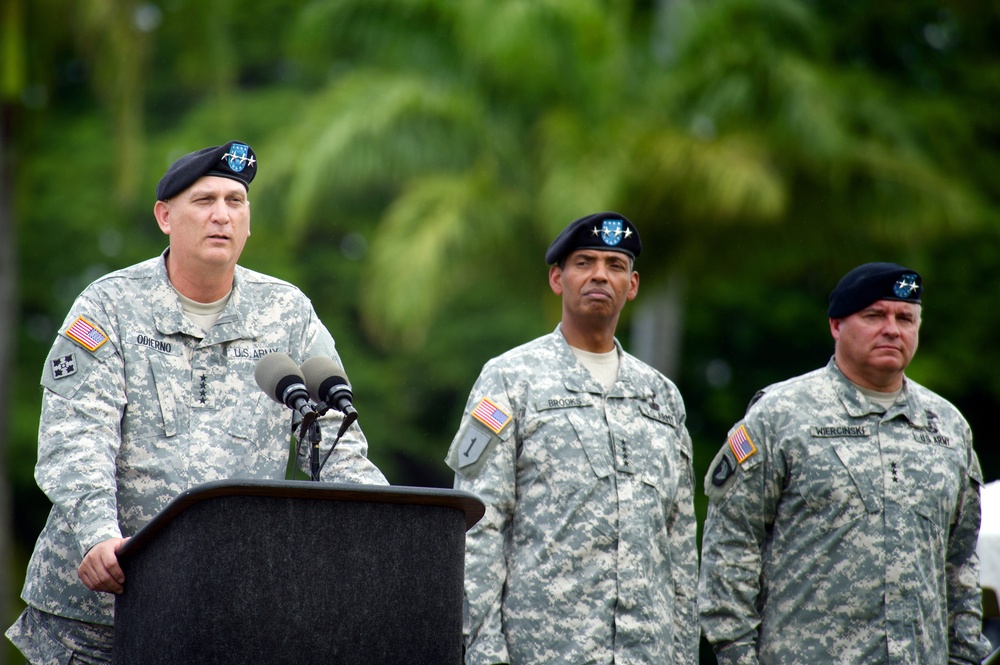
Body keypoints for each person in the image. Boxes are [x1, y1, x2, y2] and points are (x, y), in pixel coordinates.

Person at [6, 141, 387, 663]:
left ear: (249, 222)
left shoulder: (287, 311)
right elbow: (76, 435)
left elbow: (337, 445)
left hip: (233, 607)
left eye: (236, 201)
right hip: (104, 609)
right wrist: (97, 534)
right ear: (165, 216)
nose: (222, 216)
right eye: (204, 200)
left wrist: (394, 528)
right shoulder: (109, 305)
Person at [698, 262, 991, 664]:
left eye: (905, 318)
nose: (892, 329)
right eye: (874, 316)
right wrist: (737, 655)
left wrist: (965, 656)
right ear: (836, 325)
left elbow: (960, 563)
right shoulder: (781, 416)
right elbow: (731, 546)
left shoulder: (948, 427)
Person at [445, 212, 699, 664]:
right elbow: (477, 525)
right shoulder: (509, 379)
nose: (600, 275)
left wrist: (682, 654)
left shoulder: (662, 397)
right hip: (544, 649)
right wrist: (484, 652)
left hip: (648, 651)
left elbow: (678, 540)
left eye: (615, 265)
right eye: (585, 262)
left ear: (633, 285)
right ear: (557, 279)